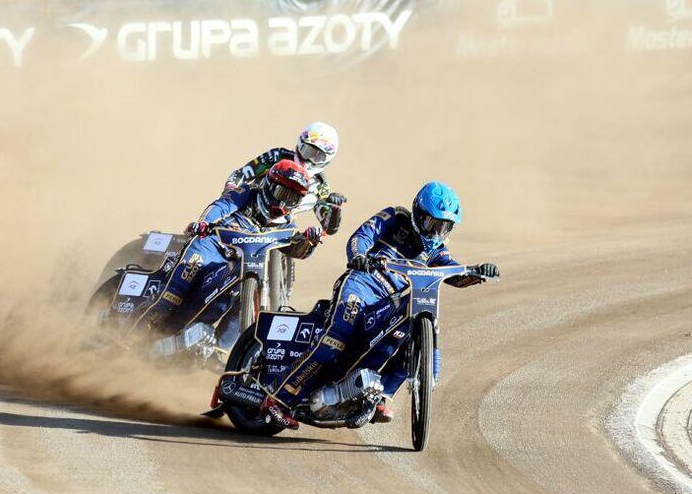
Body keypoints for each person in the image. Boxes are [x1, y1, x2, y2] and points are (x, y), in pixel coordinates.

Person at [262, 182, 499, 430]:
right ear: (419, 214)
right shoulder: (395, 218)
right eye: (433, 224)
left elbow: (454, 274)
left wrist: (478, 273)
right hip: (361, 285)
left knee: (410, 335)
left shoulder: (437, 251)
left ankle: (382, 394)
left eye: (444, 227)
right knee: (336, 340)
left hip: (389, 302)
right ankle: (278, 398)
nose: (436, 233)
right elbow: (361, 237)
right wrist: (359, 257)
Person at [131, 159, 325, 342]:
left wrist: (309, 241)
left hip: (239, 265)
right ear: (269, 185)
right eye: (282, 193)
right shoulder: (247, 193)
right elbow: (221, 206)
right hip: (211, 246)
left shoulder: (288, 225)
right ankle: (130, 337)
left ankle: (222, 351)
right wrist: (204, 223)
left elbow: (296, 250)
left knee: (241, 301)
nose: (284, 203)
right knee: (172, 295)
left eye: (292, 197)